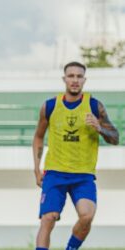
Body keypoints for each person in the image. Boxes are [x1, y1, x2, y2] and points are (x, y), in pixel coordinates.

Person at [33, 61, 119, 250]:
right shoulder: (49, 106)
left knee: (87, 216)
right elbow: (38, 137)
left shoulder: (95, 106)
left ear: (84, 80)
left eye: (79, 76)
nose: (75, 80)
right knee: (48, 218)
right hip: (55, 172)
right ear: (64, 79)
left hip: (83, 175)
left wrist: (99, 128)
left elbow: (115, 137)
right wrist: (36, 169)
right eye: (71, 76)